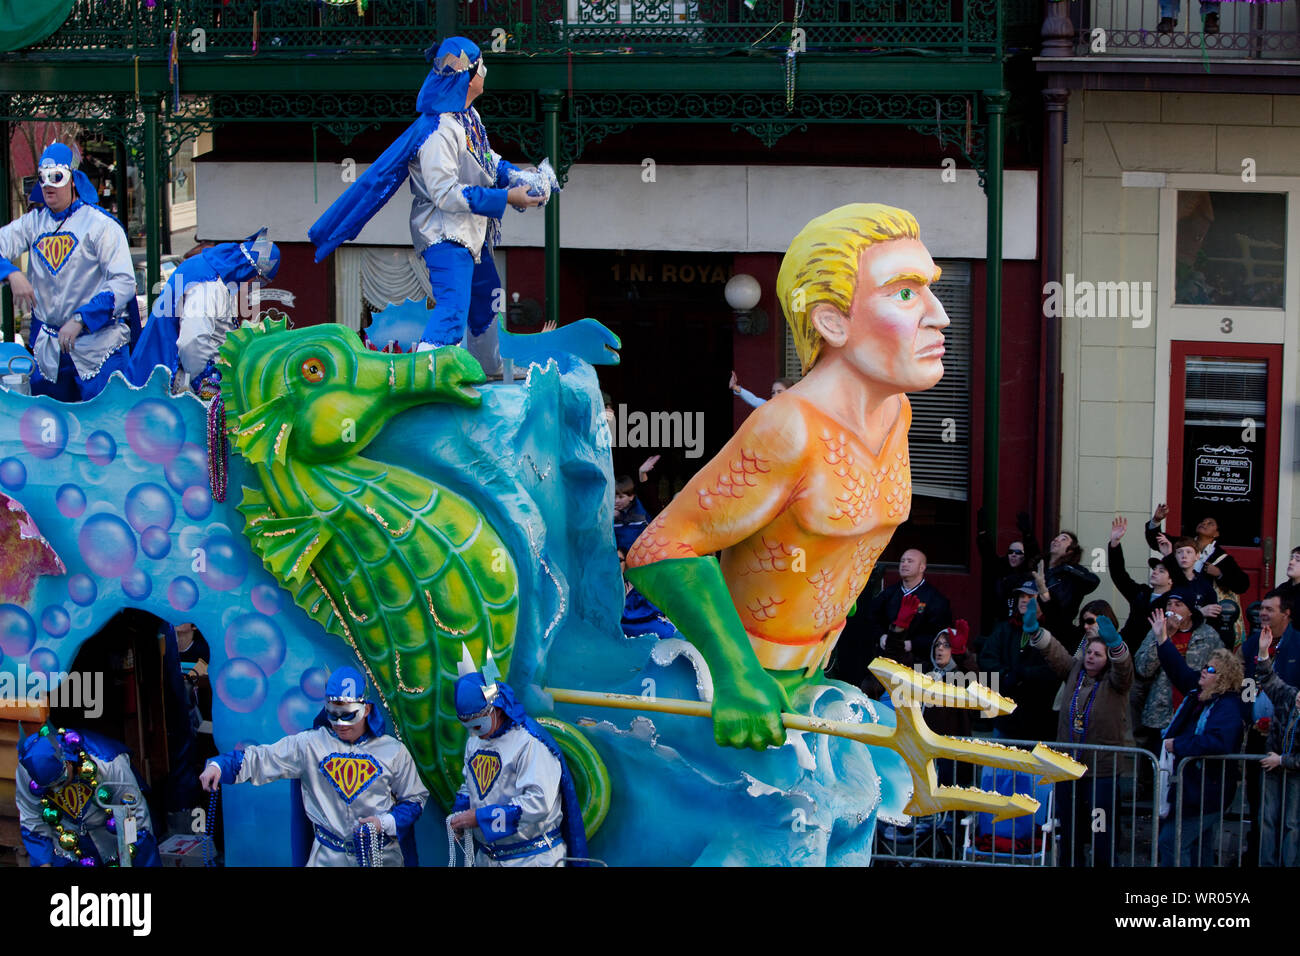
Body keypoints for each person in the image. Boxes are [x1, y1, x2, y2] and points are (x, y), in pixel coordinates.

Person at [626, 203, 951, 750]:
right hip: (740, 694)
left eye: (931, 288)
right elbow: (659, 548)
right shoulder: (790, 429)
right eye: (905, 292)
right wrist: (735, 675)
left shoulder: (899, 411)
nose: (939, 314)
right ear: (831, 321)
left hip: (813, 678)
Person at [309, 37, 547, 374]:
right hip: (444, 235)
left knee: (487, 299)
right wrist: (507, 197)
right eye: (482, 65)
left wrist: (518, 177)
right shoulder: (437, 130)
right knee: (452, 307)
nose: (487, 71)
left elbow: (487, 161)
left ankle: (488, 374)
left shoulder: (467, 117)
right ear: (468, 75)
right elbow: (445, 193)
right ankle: (421, 379)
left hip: (471, 234)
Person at [199, 666, 428, 866]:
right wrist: (220, 766)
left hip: (380, 857)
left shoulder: (393, 751)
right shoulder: (310, 744)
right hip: (328, 858)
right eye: (333, 714)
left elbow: (414, 799)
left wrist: (383, 823)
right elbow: (263, 758)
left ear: (366, 709)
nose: (340, 724)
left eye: (348, 715)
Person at [0, 143, 136, 401]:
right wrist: (11, 272)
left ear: (73, 180)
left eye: (56, 177)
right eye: (43, 178)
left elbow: (124, 283)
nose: (48, 185)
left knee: (105, 428)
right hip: (51, 353)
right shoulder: (33, 223)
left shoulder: (100, 226)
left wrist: (81, 318)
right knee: (47, 433)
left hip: (98, 350)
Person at [447, 667, 587, 865]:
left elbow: (539, 802)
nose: (475, 733)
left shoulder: (530, 742)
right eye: (468, 727)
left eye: (478, 725)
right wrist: (460, 815)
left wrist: (480, 818)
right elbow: (471, 786)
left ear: (495, 709)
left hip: (531, 858)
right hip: (488, 858)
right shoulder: (475, 742)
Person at [1027, 614, 1133, 866]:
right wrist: (1036, 631)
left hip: (1101, 773)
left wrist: (1117, 645)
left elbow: (1125, 668)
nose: (1090, 657)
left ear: (1107, 659)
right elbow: (1056, 654)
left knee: (1100, 831)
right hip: (1068, 770)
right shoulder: (1075, 671)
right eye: (1088, 652)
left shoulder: (1116, 682)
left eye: (1097, 654)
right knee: (1070, 831)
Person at [127, 228, 281, 398]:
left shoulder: (209, 269)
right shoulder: (209, 285)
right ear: (252, 273)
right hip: (174, 388)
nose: (254, 287)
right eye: (259, 281)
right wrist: (207, 384)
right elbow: (192, 342)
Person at [1151, 610, 1244, 866]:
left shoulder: (1228, 706)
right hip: (1195, 790)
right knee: (1200, 847)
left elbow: (1219, 742)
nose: (1203, 671)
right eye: (1204, 666)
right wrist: (1163, 639)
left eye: (1210, 669)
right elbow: (1179, 670)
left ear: (1223, 677)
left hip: (1207, 791)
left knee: (1171, 842)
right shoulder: (1200, 694)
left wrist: (1177, 744)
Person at [16, 724, 160, 866]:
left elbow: (136, 821)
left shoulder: (108, 762)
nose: (56, 791)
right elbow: (32, 821)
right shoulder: (28, 771)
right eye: (48, 787)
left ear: (67, 761)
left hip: (113, 836)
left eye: (60, 782)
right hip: (66, 843)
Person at [1134, 586, 1223, 755]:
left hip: (1194, 714)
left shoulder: (1208, 635)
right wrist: (1164, 637)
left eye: (1178, 604)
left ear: (1190, 611)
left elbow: (1221, 672)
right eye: (1169, 604)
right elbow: (1143, 669)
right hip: (1160, 715)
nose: (1172, 609)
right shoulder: (1157, 631)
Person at [976, 585, 1059, 741]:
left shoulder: (1050, 631)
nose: (1024, 600)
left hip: (1038, 715)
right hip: (1005, 713)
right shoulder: (1004, 628)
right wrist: (1005, 674)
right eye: (1021, 596)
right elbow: (987, 658)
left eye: (1030, 597)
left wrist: (1024, 675)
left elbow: (1055, 668)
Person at [864, 549, 952, 685]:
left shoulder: (935, 599)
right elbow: (872, 618)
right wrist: (881, 635)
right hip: (887, 660)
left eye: (910, 561)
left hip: (918, 665)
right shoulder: (889, 594)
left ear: (922, 567)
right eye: (902, 561)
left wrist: (913, 644)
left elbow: (941, 634)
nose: (904, 564)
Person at [1253, 624, 1300, 866]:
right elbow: (1268, 679)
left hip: (1293, 772)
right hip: (1274, 767)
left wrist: (1281, 760)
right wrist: (1263, 651)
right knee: (1268, 820)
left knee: (1292, 824)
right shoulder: (1290, 695)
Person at [1107, 515, 1174, 653]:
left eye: (1161, 571)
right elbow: (1119, 575)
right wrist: (1114, 543)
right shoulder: (1141, 592)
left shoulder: (1174, 600)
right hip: (1126, 652)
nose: (1155, 572)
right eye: (1154, 569)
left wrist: (1169, 557)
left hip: (1151, 657)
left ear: (1171, 580)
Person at [921, 621, 976, 787]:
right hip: (925, 749)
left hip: (951, 755)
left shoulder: (960, 675)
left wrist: (963, 654)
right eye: (937, 645)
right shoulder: (924, 672)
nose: (940, 649)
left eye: (946, 645)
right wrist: (898, 631)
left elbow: (975, 685)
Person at [976, 508, 1040, 634]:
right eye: (1010, 552)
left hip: (1021, 624)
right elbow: (988, 556)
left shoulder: (1028, 572)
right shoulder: (1001, 570)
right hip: (1000, 622)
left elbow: (1034, 554)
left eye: (1018, 552)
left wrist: (1027, 534)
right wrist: (982, 533)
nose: (1014, 555)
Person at [1031, 532, 1100, 638]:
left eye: (1063, 539)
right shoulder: (1039, 566)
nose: (1056, 540)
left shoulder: (1071, 574)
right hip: (1029, 625)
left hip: (1057, 632)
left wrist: (1067, 568)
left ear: (1070, 550)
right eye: (1056, 537)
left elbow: (1094, 581)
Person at [728, 371, 792, 409]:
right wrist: (735, 387)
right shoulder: (768, 408)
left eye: (779, 392)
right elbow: (754, 400)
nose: (775, 395)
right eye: (773, 392)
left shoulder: (797, 410)